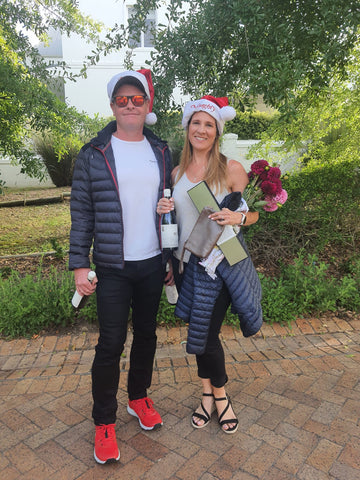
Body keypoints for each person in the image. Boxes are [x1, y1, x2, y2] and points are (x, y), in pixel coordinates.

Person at [69, 69, 173, 464]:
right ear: (112, 105)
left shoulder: (161, 150)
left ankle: (139, 398)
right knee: (111, 343)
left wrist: (168, 256)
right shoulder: (94, 153)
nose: (130, 105)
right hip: (111, 266)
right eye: (122, 100)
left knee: (147, 334)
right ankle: (104, 421)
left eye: (137, 99)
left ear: (148, 106)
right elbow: (81, 213)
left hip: (151, 262)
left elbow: (170, 203)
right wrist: (80, 264)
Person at [157, 95, 262, 434]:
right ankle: (206, 393)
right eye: (196, 122)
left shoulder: (231, 169)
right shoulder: (176, 172)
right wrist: (162, 211)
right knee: (199, 332)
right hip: (187, 265)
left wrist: (239, 215)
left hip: (219, 267)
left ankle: (219, 397)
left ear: (217, 131)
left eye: (208, 124)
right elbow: (176, 220)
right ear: (187, 127)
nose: (201, 129)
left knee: (206, 335)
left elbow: (255, 214)